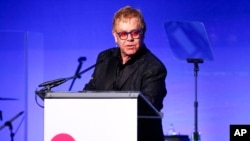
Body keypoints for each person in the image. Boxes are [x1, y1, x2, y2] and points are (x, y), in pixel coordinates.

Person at [83, 5, 167, 141]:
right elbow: (91, 90)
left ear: (143, 33)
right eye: (122, 34)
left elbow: (148, 108)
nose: (129, 39)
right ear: (115, 36)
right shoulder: (104, 58)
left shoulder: (154, 68)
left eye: (134, 33)